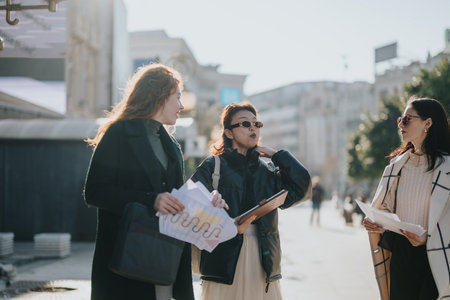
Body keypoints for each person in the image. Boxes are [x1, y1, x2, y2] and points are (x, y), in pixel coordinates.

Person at [83, 64, 195, 300]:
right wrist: (150, 200)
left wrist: (207, 206)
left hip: (166, 258)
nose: (182, 106)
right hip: (127, 261)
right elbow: (94, 192)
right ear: (159, 96)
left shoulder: (172, 145)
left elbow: (177, 199)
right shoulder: (118, 134)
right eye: (177, 97)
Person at [190, 102, 311, 300]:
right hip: (223, 259)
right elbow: (189, 204)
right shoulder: (214, 165)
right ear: (229, 133)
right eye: (244, 123)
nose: (253, 127)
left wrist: (279, 156)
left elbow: (303, 188)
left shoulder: (269, 170)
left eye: (256, 123)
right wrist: (210, 201)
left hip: (262, 259)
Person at [363, 97, 450, 300]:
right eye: (400, 119)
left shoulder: (447, 167)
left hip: (438, 255)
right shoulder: (396, 166)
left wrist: (427, 237)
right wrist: (377, 221)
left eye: (407, 119)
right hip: (401, 254)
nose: (401, 124)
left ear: (428, 123)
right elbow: (386, 207)